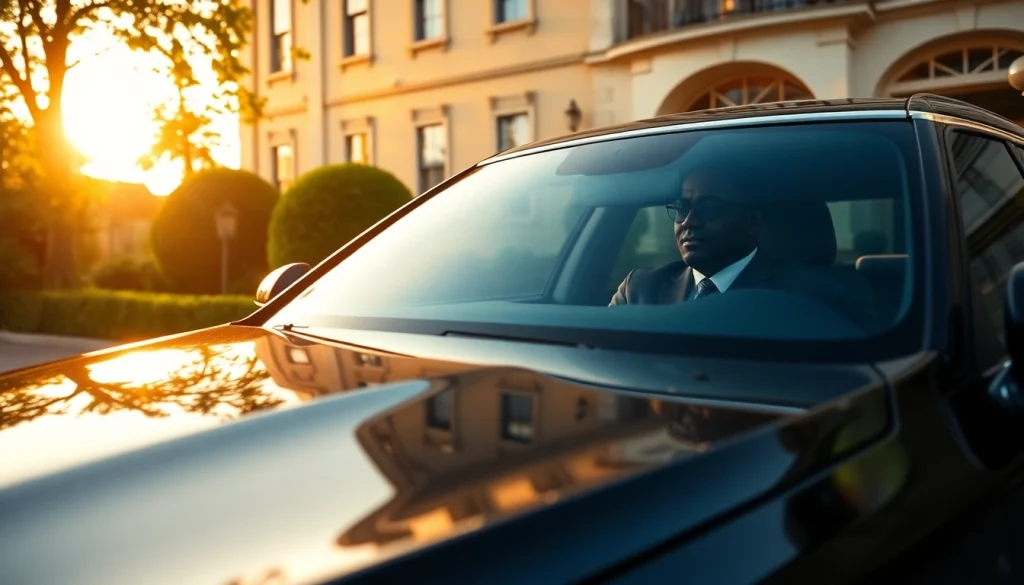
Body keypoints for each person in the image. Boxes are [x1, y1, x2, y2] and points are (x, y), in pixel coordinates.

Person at [608, 166, 876, 328]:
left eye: (709, 206)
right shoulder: (640, 289)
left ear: (752, 221)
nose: (689, 222)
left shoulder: (817, 295)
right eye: (682, 208)